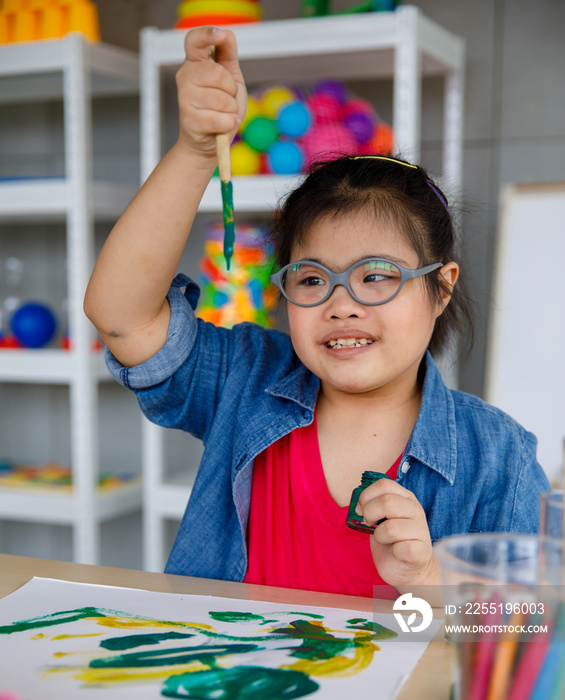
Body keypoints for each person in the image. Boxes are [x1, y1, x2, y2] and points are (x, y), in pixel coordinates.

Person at [84, 26, 550, 598]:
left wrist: (429, 580)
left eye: (376, 275)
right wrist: (196, 150)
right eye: (311, 279)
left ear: (442, 289)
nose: (342, 305)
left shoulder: (497, 456)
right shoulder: (246, 379)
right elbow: (121, 316)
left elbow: (529, 634)